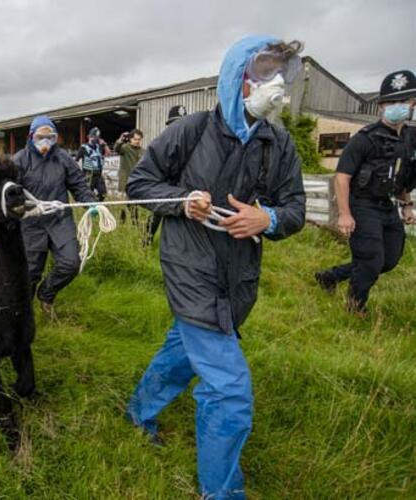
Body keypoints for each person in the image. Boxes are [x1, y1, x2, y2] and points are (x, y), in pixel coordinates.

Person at [125, 36, 307, 499]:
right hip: (189, 268)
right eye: (266, 69)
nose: (277, 82)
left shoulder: (278, 144)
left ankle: (137, 412)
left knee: (181, 351)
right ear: (236, 76)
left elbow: (296, 208)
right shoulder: (191, 131)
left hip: (238, 276)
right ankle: (221, 493)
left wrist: (267, 219)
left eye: (284, 71)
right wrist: (180, 202)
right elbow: (140, 183)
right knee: (229, 391)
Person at [314, 70, 416, 314]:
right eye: (390, 102)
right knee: (370, 261)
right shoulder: (364, 139)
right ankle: (355, 307)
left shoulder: (411, 139)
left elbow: (403, 177)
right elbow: (342, 177)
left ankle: (331, 276)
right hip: (362, 205)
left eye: (402, 101)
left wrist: (407, 205)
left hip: (388, 205)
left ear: (413, 103)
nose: (397, 107)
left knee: (388, 260)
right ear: (381, 106)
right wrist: (345, 214)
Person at [13, 116, 99, 317]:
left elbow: (78, 184)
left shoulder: (63, 159)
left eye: (50, 137)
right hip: (31, 223)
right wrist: (22, 209)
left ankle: (46, 294)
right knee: (31, 272)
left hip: (59, 220)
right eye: (41, 137)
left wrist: (90, 202)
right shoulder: (19, 160)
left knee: (71, 264)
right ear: (31, 136)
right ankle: (24, 314)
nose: (45, 142)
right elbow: (11, 193)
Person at [143, 106, 190, 244]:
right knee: (156, 216)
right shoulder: (161, 143)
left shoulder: (193, 142)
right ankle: (146, 242)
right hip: (165, 188)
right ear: (169, 125)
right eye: (175, 123)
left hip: (185, 189)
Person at [114, 128, 144, 225]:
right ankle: (122, 223)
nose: (137, 141)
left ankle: (135, 223)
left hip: (136, 182)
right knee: (122, 204)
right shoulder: (125, 148)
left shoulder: (143, 151)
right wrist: (120, 140)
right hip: (125, 181)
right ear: (130, 139)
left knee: (133, 204)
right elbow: (116, 149)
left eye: (139, 139)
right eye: (135, 139)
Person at [76, 127, 109, 201]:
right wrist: (78, 173)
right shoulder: (83, 147)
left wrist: (104, 144)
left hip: (98, 174)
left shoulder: (99, 146)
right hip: (88, 174)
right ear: (89, 136)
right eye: (94, 136)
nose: (95, 138)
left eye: (97, 137)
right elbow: (76, 160)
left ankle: (98, 204)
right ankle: (89, 207)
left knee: (103, 193)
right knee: (88, 194)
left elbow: (108, 153)